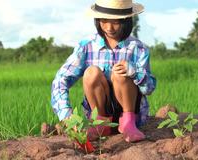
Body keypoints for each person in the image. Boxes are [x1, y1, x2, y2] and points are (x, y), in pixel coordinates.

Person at [51, 0, 156, 142]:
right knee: (91, 73)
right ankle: (101, 124)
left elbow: (149, 88)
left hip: (131, 111)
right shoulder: (87, 46)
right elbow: (61, 79)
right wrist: (66, 114)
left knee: (120, 73)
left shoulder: (137, 48)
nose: (109, 27)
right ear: (97, 19)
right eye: (104, 21)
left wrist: (134, 71)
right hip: (99, 110)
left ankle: (128, 123)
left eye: (116, 22)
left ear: (126, 20)